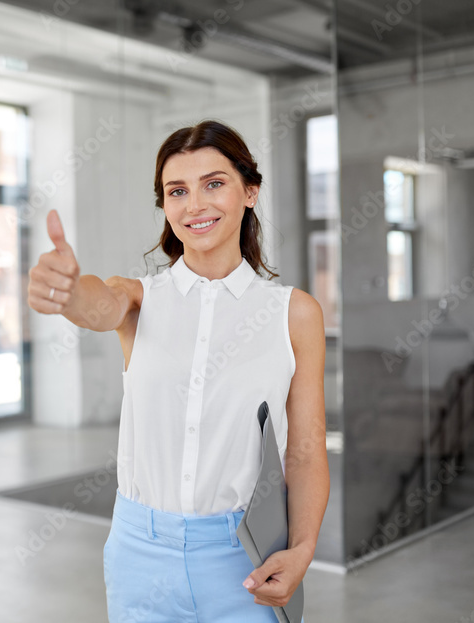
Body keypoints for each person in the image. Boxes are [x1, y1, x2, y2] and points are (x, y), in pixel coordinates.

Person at [28, 121, 329, 621]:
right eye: (177, 191)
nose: (195, 205)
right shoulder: (140, 298)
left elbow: (304, 450)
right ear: (165, 207)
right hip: (138, 556)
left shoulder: (294, 314)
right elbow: (98, 306)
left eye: (214, 183)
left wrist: (302, 549)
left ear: (250, 191)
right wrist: (68, 291)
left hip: (244, 559)